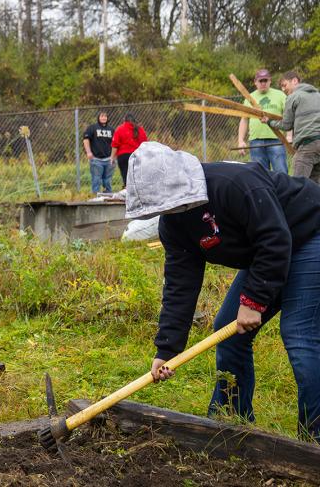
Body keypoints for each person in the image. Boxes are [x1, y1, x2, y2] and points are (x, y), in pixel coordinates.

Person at [125, 141, 320, 442]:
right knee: (228, 332)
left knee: (299, 335)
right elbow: (180, 284)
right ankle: (230, 423)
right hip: (269, 253)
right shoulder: (174, 224)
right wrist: (167, 349)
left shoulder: (232, 185)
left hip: (309, 234)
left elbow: (275, 238)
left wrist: (253, 300)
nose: (163, 212)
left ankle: (314, 438)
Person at [263, 71, 320, 184]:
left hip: (307, 144)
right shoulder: (318, 95)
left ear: (295, 81)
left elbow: (286, 125)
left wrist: (269, 122)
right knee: (315, 184)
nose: (283, 89)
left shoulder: (293, 96)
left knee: (297, 185)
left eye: (284, 85)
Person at [237, 69, 288, 174]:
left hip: (277, 139)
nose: (263, 83)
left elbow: (288, 117)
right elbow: (244, 120)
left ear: (270, 81)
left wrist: (289, 135)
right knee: (260, 175)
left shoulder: (280, 95)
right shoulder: (249, 98)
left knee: (281, 173)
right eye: (261, 81)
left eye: (266, 80)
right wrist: (241, 140)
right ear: (255, 82)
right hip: (256, 142)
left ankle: (284, 191)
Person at [110, 112, 148, 187]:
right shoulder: (140, 129)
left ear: (124, 120)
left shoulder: (120, 129)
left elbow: (115, 144)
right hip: (137, 156)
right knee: (137, 177)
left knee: (126, 176)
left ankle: (127, 190)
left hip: (123, 156)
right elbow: (145, 144)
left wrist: (112, 157)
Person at [82, 111, 115, 194]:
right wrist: (88, 152)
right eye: (102, 116)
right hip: (96, 159)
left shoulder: (111, 129)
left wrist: (113, 156)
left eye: (105, 116)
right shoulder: (92, 128)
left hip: (108, 159)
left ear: (107, 118)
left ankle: (108, 195)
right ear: (98, 117)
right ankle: (95, 196)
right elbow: (86, 140)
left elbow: (115, 143)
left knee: (107, 180)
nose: (103, 118)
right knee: (96, 179)